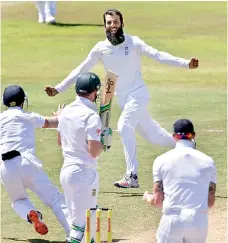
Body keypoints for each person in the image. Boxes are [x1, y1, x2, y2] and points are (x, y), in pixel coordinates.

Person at [45, 8, 199, 188]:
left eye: (115, 22)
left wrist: (186, 64)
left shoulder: (133, 42)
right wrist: (58, 88)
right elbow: (81, 69)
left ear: (122, 24)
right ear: (104, 26)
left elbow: (158, 55)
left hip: (139, 94)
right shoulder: (100, 48)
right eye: (109, 23)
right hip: (124, 99)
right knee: (154, 135)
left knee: (124, 125)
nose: (112, 26)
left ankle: (132, 175)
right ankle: (189, 144)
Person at [0, 85, 71, 237]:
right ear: (22, 102)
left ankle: (31, 214)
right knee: (55, 199)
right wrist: (61, 115)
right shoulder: (28, 116)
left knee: (18, 201)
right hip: (27, 162)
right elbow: (53, 122)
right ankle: (73, 233)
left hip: (6, 166)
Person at [57, 72, 111, 243]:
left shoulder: (65, 112)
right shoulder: (91, 116)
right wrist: (105, 141)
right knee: (88, 228)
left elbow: (60, 142)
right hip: (84, 174)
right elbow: (94, 151)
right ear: (94, 92)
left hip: (66, 173)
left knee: (77, 226)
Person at [143, 119, 216, 243]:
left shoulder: (161, 160)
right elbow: (210, 202)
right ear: (193, 135)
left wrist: (147, 197)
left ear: (174, 136)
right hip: (198, 221)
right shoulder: (209, 162)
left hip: (172, 221)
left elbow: (157, 201)